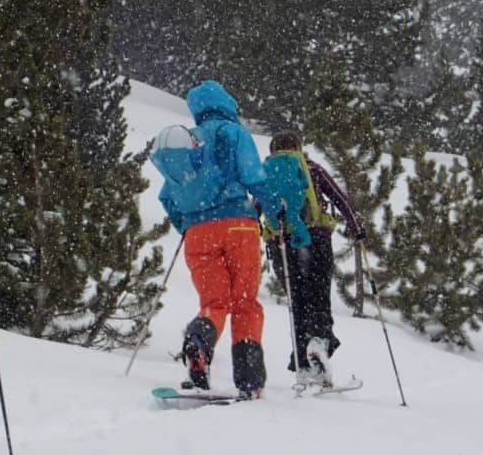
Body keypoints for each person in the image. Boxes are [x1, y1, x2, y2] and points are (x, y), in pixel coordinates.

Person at [153, 80, 283, 400]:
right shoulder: (233, 133)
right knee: (244, 303)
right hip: (239, 226)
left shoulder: (188, 142)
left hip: (198, 233)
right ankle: (249, 379)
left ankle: (198, 343)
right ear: (227, 103)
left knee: (214, 303)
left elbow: (166, 195)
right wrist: (274, 209)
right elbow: (254, 176)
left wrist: (186, 223)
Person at [263, 132, 366, 388]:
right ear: (299, 147)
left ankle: (303, 366)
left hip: (282, 245)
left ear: (274, 149)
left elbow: (257, 206)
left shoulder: (266, 174)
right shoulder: (312, 169)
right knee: (318, 297)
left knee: (296, 304)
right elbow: (340, 199)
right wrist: (357, 227)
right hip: (315, 239)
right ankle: (318, 343)